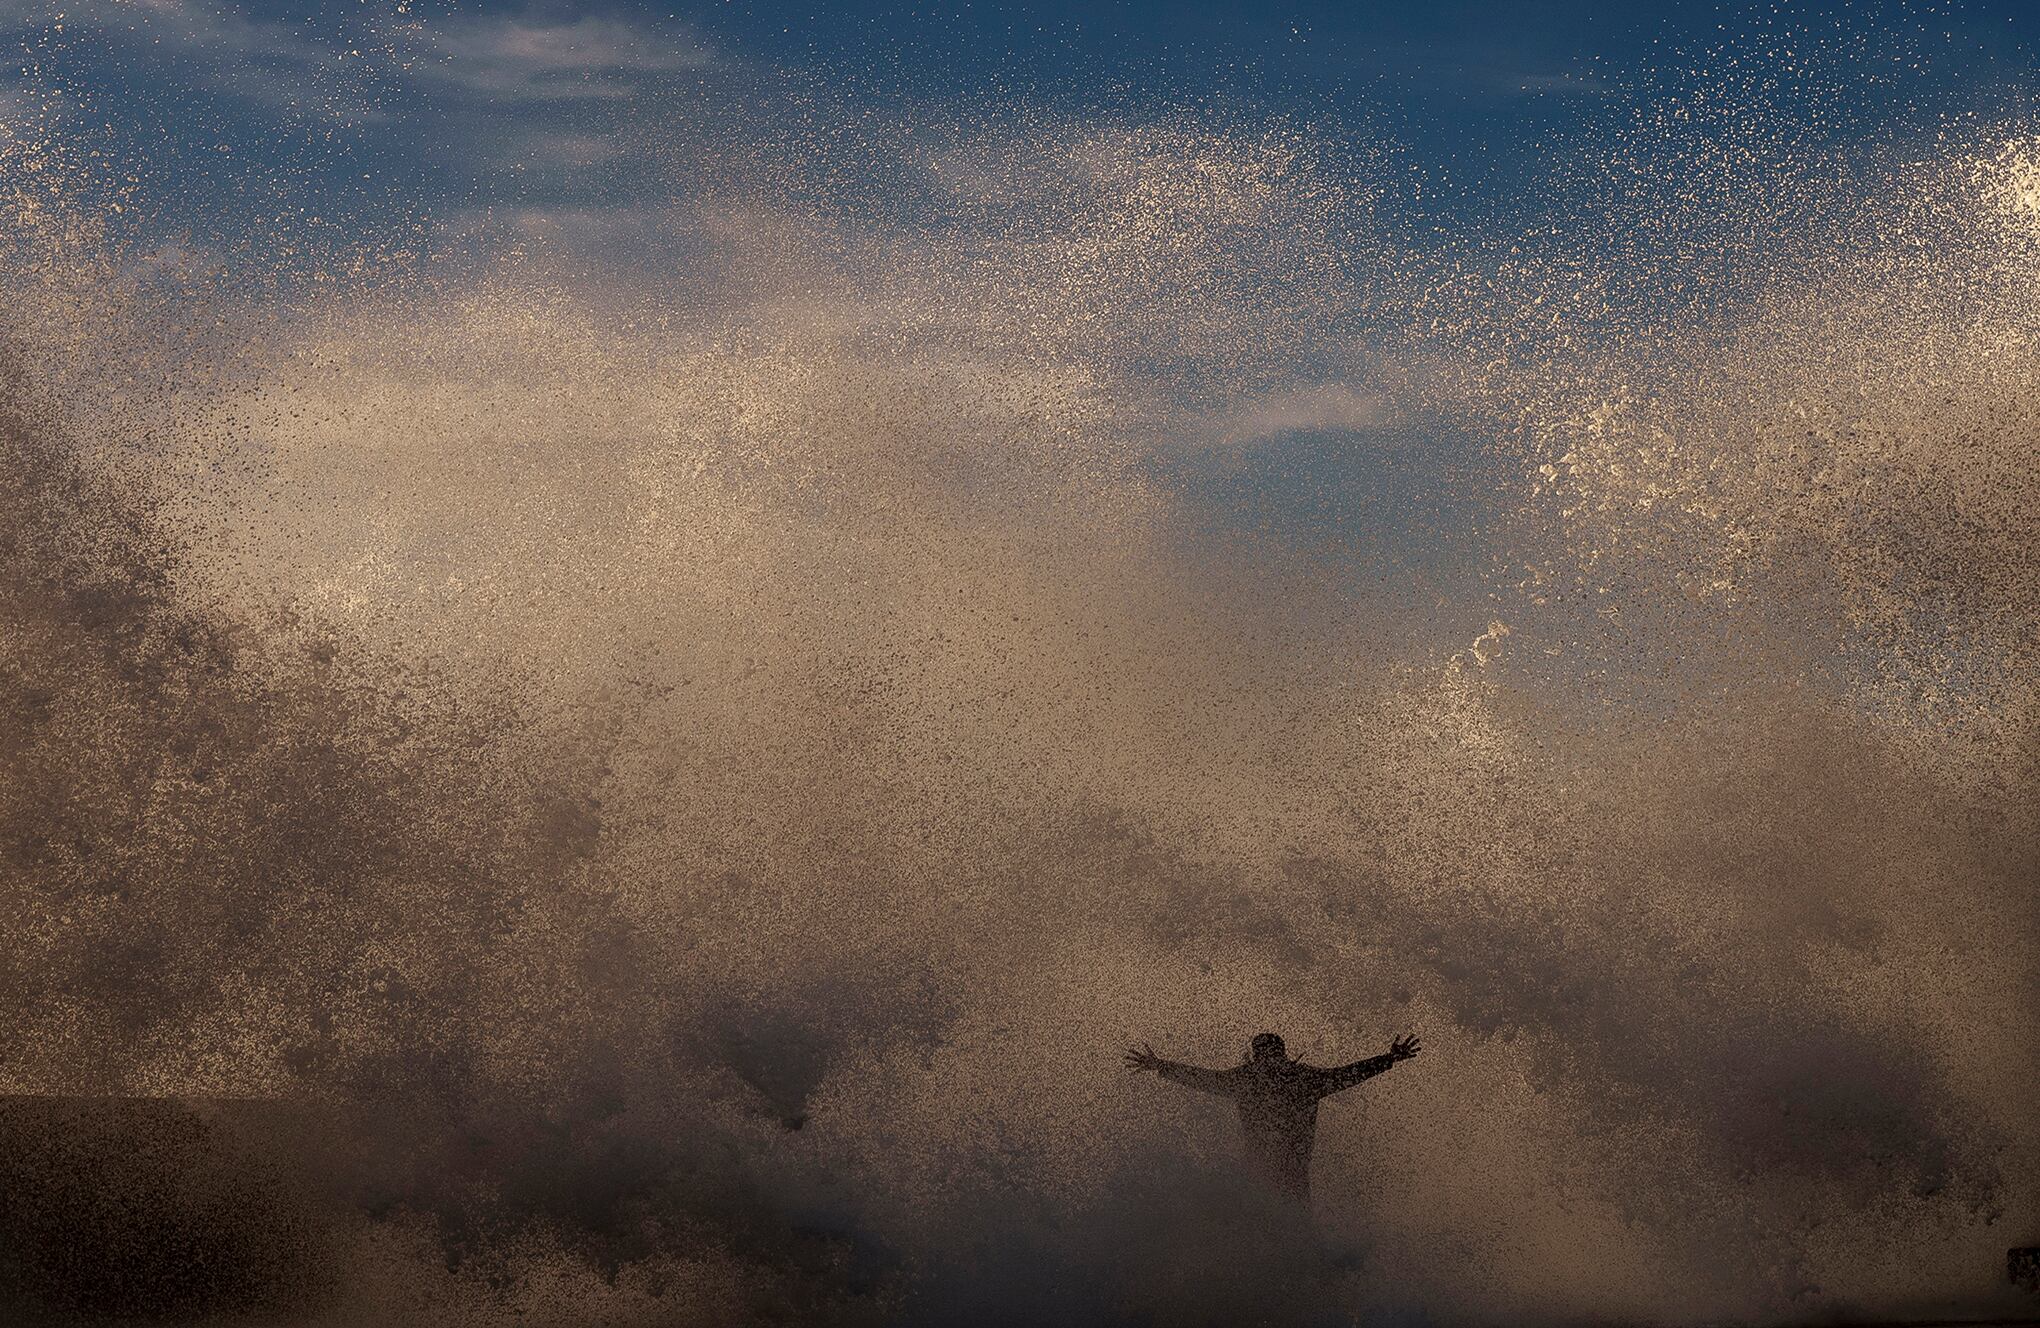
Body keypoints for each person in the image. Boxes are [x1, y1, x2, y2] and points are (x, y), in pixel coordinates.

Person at [1125, 1031, 1420, 1203]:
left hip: (1260, 1173)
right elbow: (1350, 1074)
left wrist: (1160, 1065)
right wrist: (1389, 1058)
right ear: (1282, 1052)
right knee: (1294, 1230)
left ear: (1257, 1055)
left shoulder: (1247, 1078)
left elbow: (1202, 1079)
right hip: (1294, 1172)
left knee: (1262, 1231)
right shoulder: (1305, 1078)